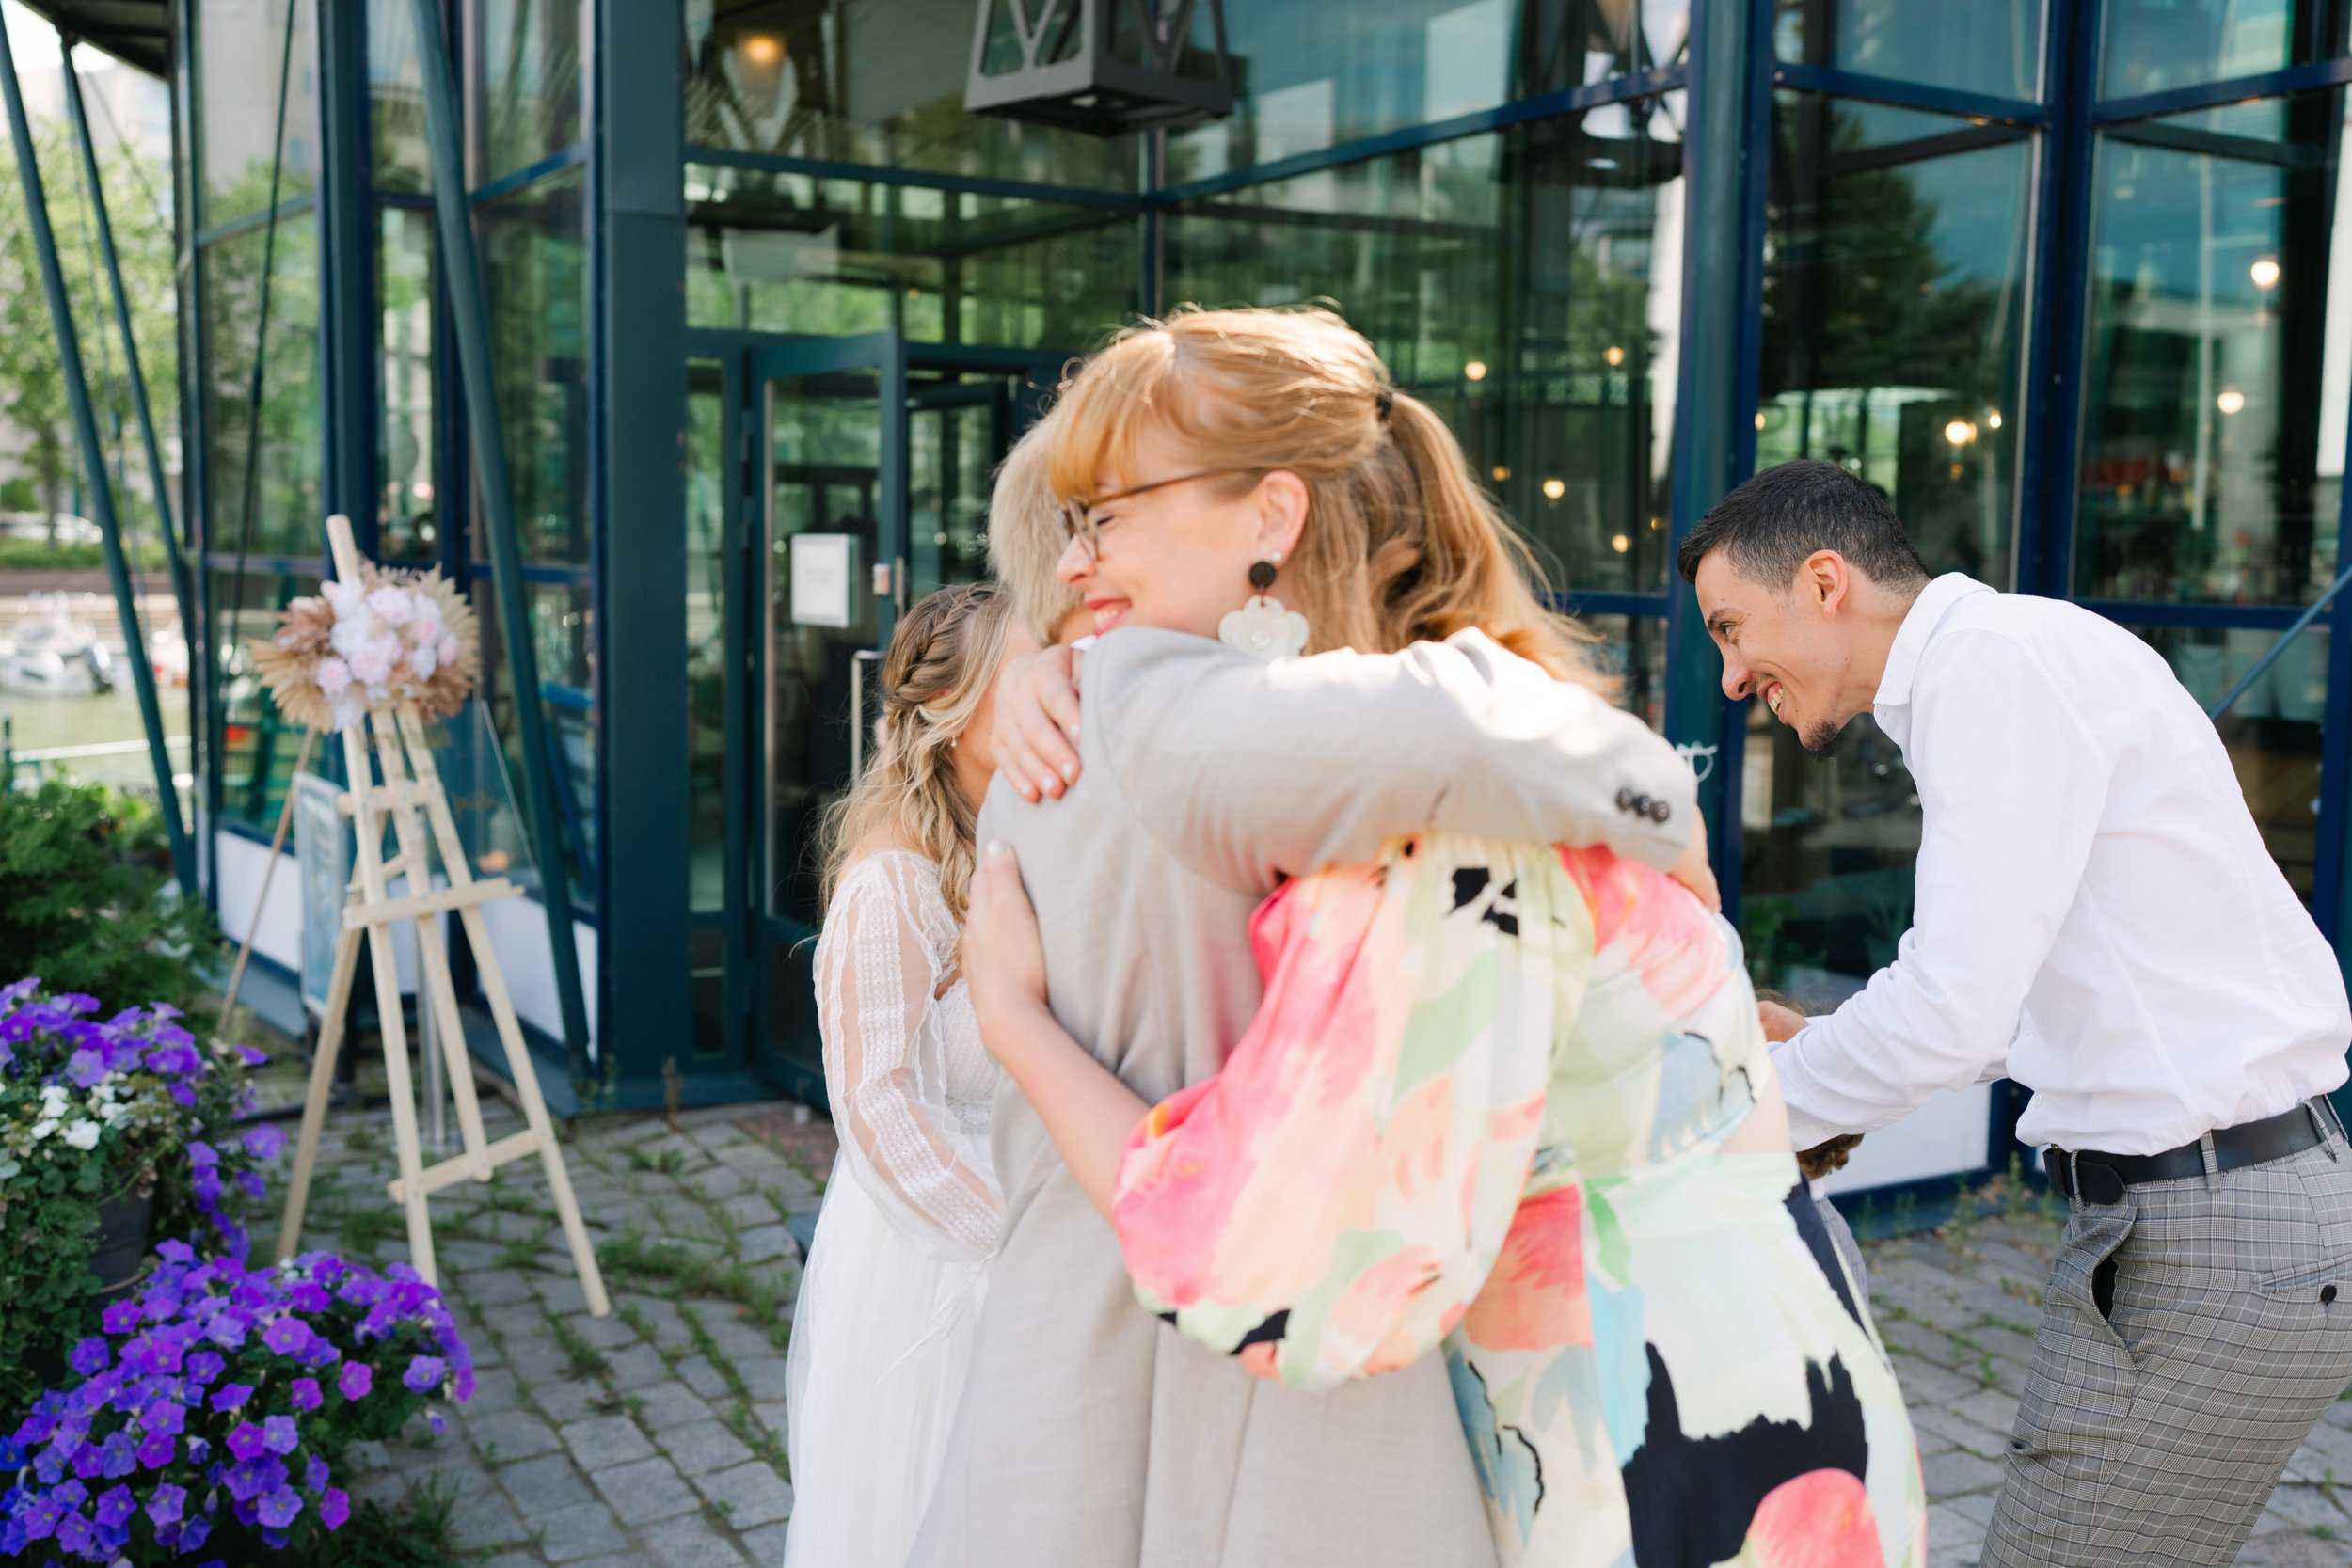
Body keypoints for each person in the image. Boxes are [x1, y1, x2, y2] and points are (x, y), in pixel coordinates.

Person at [952, 329, 1923, 1568]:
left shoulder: (1450, 847)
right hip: (1760, 1400)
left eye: (1108, 514)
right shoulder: (1517, 767)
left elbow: (1260, 1271)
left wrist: (1013, 1019)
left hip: (1650, 1461)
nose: (1077, 561)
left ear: (1273, 515)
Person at [1680, 457, 2352, 1568]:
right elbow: (2016, 995)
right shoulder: (2009, 657)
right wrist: (1829, 1044)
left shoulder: (1989, 672)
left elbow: (1952, 1007)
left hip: (2211, 1225)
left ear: (1823, 580)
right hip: (2218, 1208)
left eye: (1731, 626)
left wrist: (1726, 1113)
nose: (1732, 674)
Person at [781, 581, 1030, 1568]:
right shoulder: (891, 881)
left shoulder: (1010, 834)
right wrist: (1006, 1242)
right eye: (1029, 681)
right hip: (935, 1255)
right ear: (949, 711)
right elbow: (876, 1104)